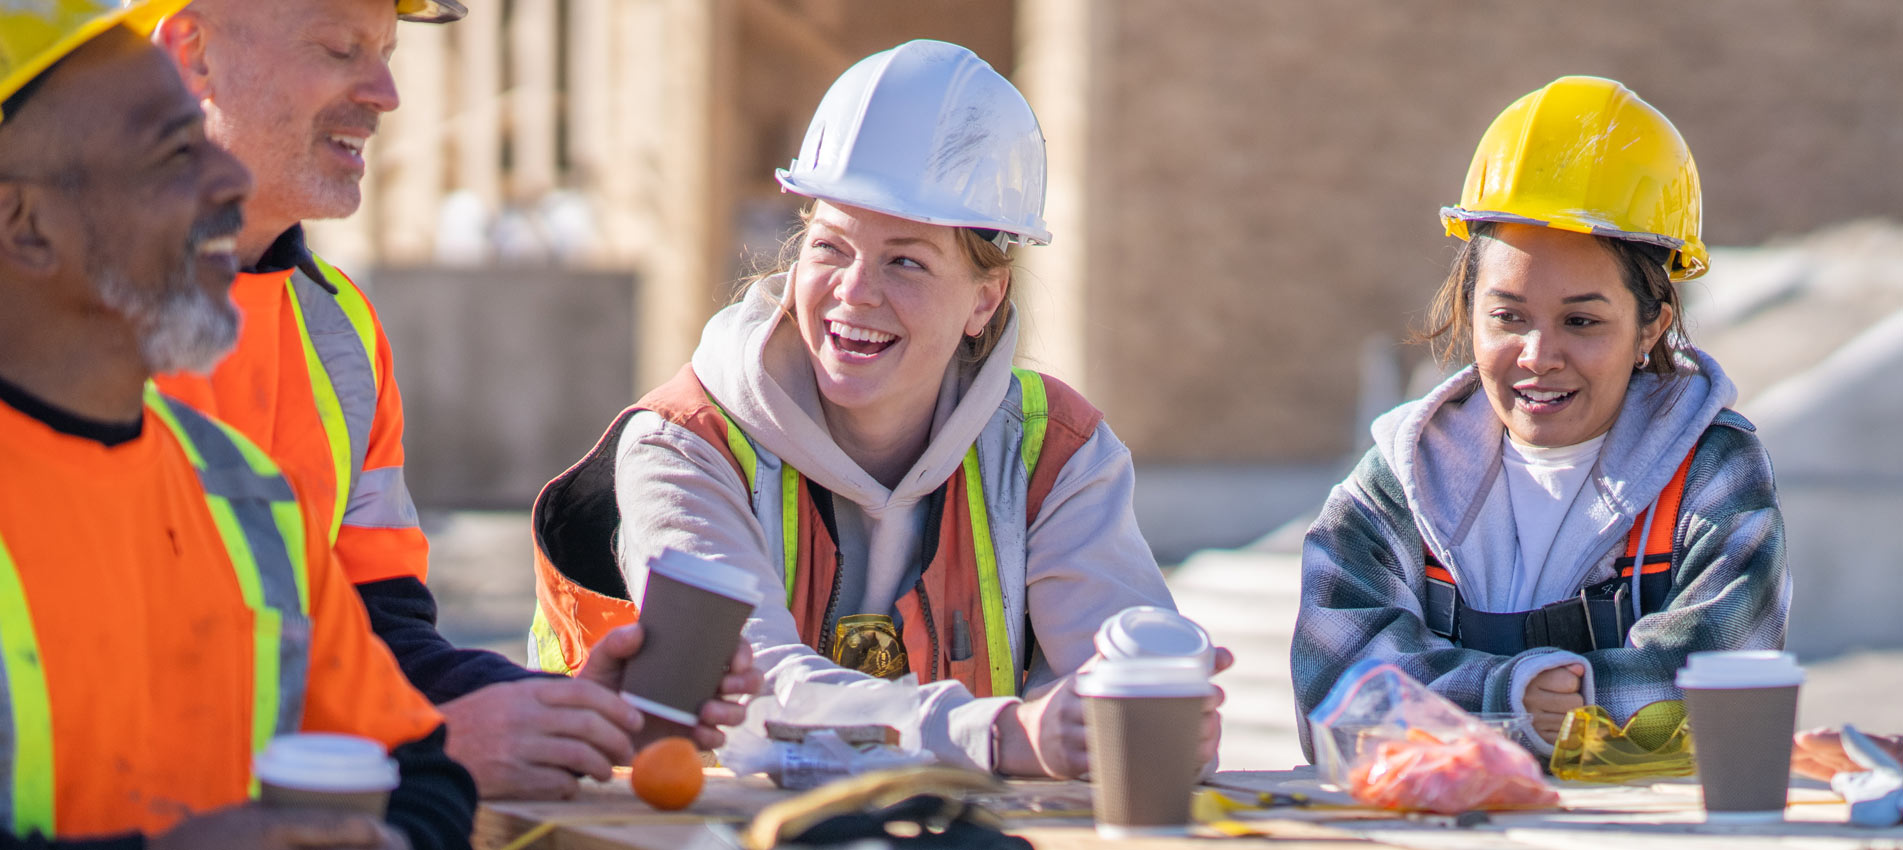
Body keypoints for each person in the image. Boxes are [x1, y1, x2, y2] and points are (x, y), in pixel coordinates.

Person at [529, 39, 1229, 778]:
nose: (855, 292)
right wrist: (1003, 734)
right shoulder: (684, 447)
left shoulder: (1054, 452)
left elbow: (1105, 694)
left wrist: (1148, 712)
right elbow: (746, 702)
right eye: (830, 248)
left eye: (905, 260)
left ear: (983, 299)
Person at [147, 0, 760, 800]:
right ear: (191, 51)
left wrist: (541, 709)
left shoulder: (338, 335)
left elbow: (379, 637)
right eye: (338, 49)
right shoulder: (53, 319)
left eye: (386, 52)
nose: (385, 92)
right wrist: (420, 755)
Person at [0, 4, 491, 846]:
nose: (225, 184)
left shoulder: (241, 494)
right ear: (26, 223)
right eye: (171, 155)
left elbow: (416, 760)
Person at [1291, 76, 1789, 758]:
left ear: (1651, 327)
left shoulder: (1708, 471)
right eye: (1507, 317)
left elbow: (1727, 690)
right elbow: (1332, 684)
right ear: (1469, 314)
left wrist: (1557, 701)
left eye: (1580, 320)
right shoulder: (1400, 481)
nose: (1538, 355)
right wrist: (1511, 695)